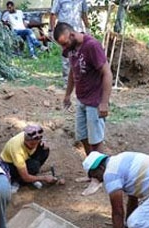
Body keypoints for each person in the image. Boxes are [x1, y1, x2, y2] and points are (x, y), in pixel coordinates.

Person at [54, 22, 112, 196]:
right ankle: (92, 171)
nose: (64, 48)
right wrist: (67, 95)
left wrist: (104, 102)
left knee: (96, 140)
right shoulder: (71, 48)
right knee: (83, 137)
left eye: (64, 43)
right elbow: (73, 71)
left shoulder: (92, 46)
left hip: (95, 100)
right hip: (82, 100)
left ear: (72, 34)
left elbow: (107, 73)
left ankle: (99, 178)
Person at [0, 124, 58, 191]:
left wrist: (44, 144)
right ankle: (17, 181)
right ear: (25, 140)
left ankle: (32, 176)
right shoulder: (17, 151)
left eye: (36, 143)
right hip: (10, 164)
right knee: (33, 166)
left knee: (44, 150)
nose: (34, 146)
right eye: (32, 144)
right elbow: (25, 177)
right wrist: (44, 178)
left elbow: (40, 142)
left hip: (26, 158)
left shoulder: (31, 135)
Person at [49, 0, 90, 84]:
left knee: (80, 55)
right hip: (64, 33)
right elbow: (53, 14)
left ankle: (80, 79)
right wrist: (51, 30)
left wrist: (87, 28)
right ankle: (67, 81)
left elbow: (84, 14)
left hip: (77, 31)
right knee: (66, 57)